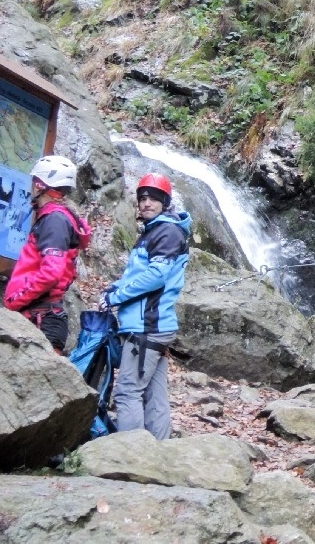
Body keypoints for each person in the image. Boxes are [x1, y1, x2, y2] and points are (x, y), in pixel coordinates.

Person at [103, 173, 191, 440]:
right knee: (155, 392)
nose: (146, 203)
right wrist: (115, 287)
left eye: (154, 198)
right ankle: (159, 453)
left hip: (147, 325)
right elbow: (138, 275)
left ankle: (129, 456)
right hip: (155, 324)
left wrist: (115, 298)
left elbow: (156, 276)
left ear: (165, 202)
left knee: (128, 391)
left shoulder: (166, 231)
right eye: (142, 198)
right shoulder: (156, 231)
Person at [4, 155, 89, 354]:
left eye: (34, 181)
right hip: (39, 317)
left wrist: (16, 299)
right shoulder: (55, 217)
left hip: (40, 320)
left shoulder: (55, 221)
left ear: (40, 184)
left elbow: (52, 272)